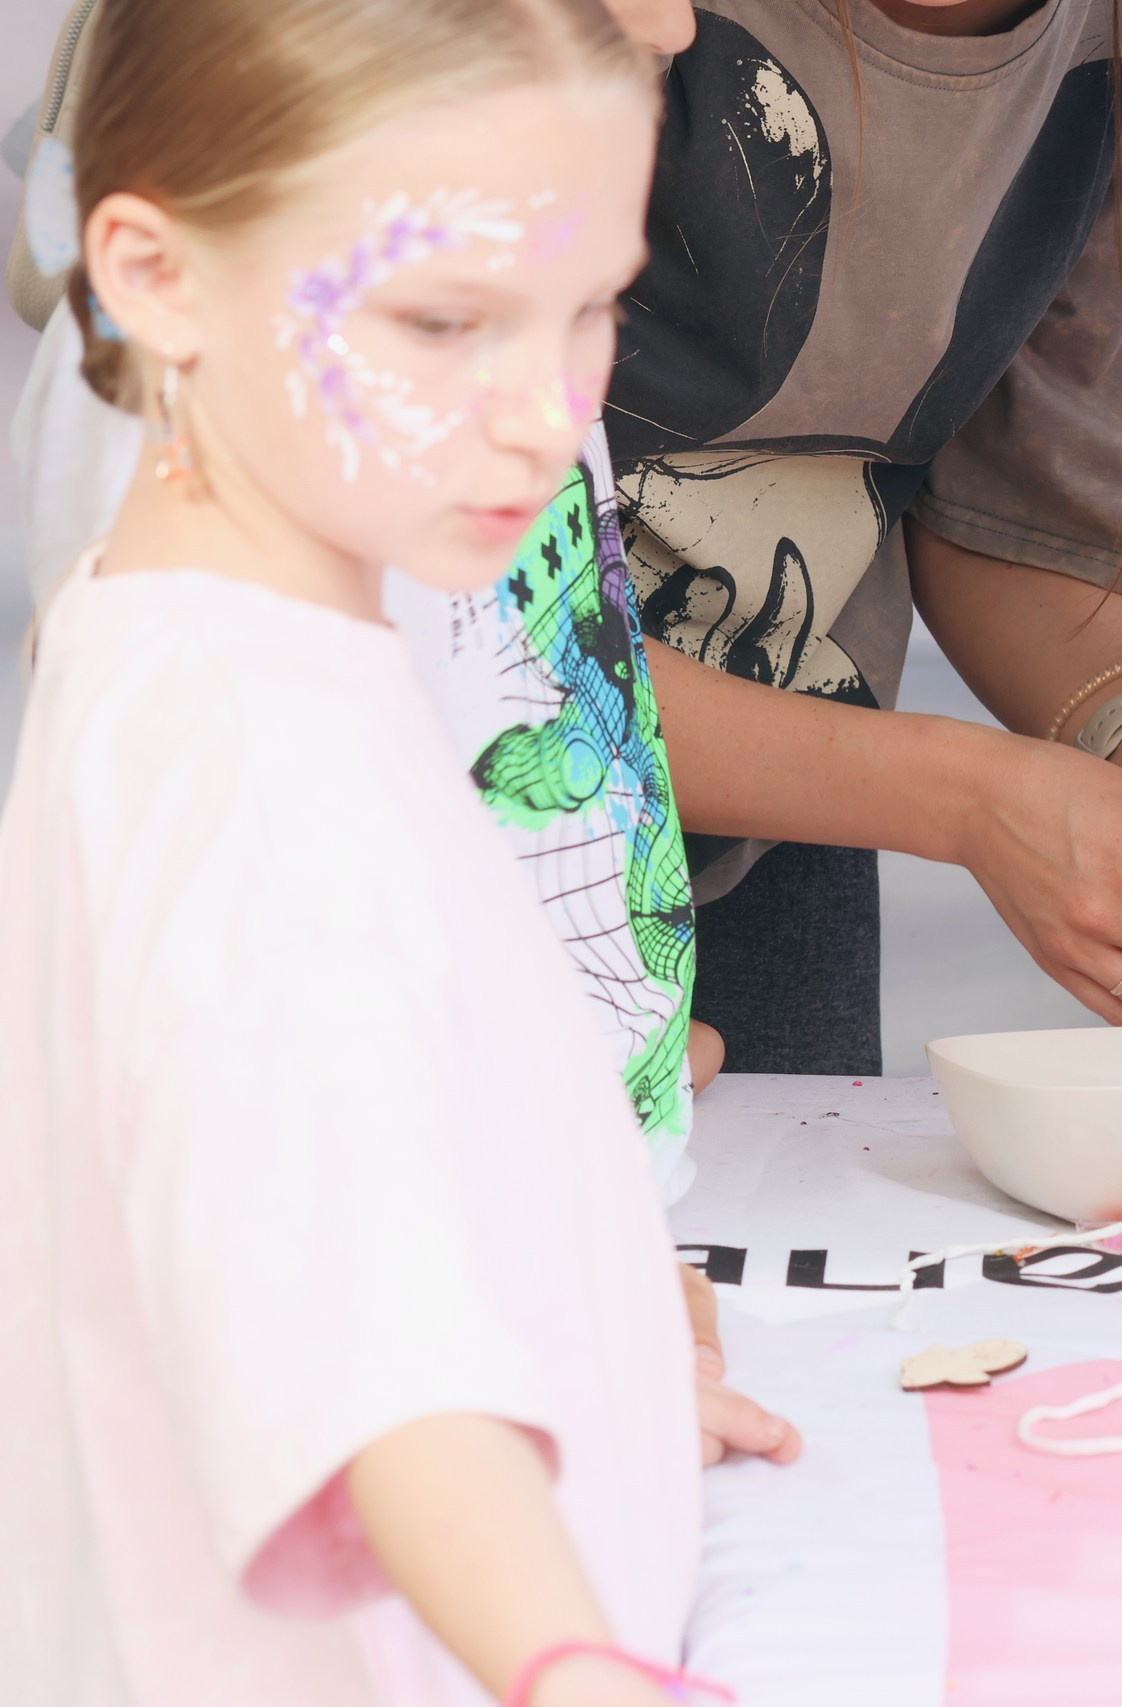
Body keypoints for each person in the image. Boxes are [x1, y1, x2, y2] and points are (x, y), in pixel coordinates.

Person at [0, 2, 719, 1699]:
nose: (546, 413)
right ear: (159, 274)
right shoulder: (249, 739)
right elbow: (357, 1333)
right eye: (444, 319)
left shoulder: (246, 632)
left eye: (595, 308)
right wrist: (569, 1665)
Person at [601, 0, 1122, 1073]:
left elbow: (1005, 532)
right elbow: (483, 645)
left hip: (774, 847)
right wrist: (967, 796)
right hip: (427, 831)